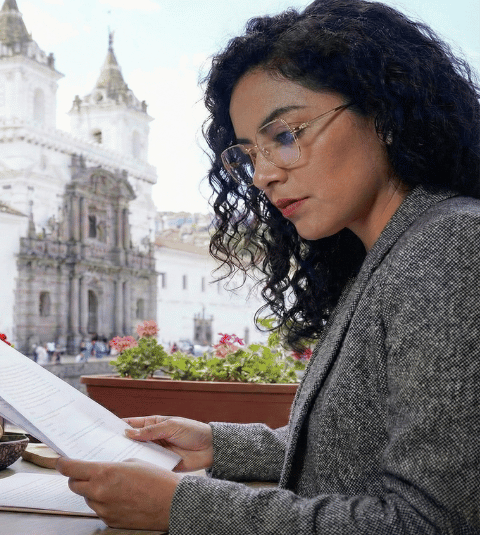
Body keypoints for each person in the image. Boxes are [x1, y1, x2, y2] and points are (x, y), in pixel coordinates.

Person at [56, 1, 480, 532]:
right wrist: (218, 444)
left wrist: (182, 507)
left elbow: (432, 521)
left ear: (385, 114)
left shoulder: (451, 246)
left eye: (283, 136)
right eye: (249, 154)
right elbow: (357, 446)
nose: (261, 176)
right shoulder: (387, 257)